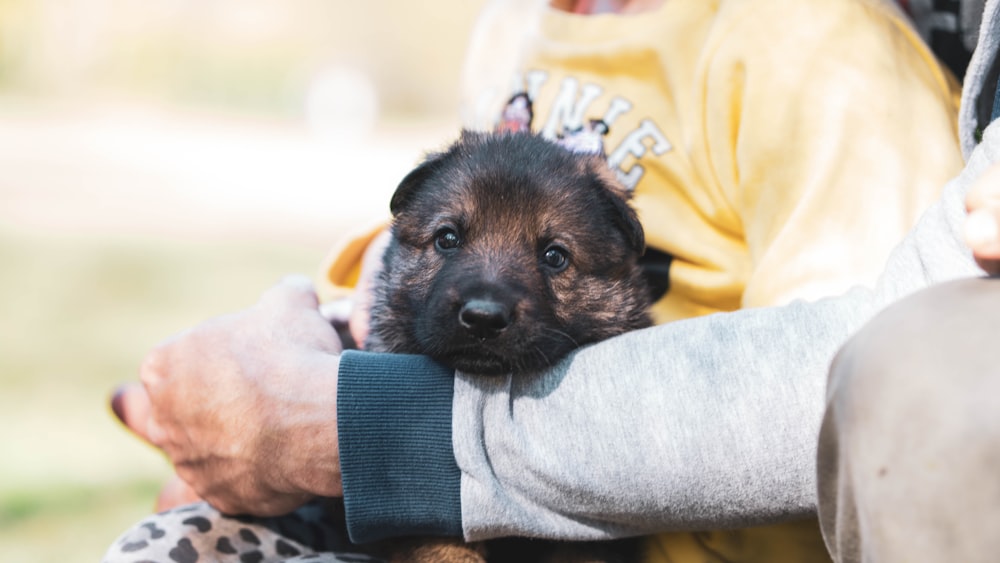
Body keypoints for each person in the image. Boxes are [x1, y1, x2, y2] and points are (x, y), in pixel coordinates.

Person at [102, 0, 988, 561]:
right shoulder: (514, 26)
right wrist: (274, 384)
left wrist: (337, 429)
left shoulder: (823, 46)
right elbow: (430, 227)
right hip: (445, 507)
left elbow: (858, 388)